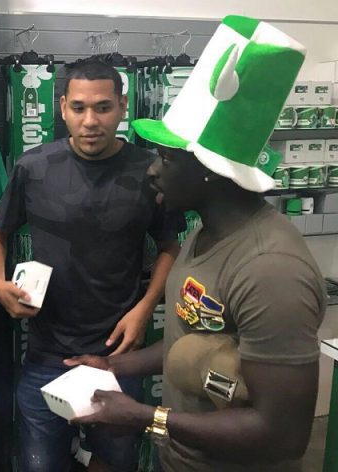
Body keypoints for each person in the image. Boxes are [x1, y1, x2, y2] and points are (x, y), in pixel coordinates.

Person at [66, 15, 327, 472]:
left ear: (209, 171)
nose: (152, 169)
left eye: (167, 158)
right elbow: (189, 338)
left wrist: (145, 417)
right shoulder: (205, 232)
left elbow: (283, 434)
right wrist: (114, 367)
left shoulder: (271, 269)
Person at [0, 59, 183, 471]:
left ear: (123, 107)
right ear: (62, 108)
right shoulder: (34, 167)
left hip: (118, 353)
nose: (90, 121)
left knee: (115, 461)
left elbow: (170, 246)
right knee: (41, 464)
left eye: (103, 107)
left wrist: (145, 308)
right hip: (45, 354)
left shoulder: (148, 171)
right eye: (78, 107)